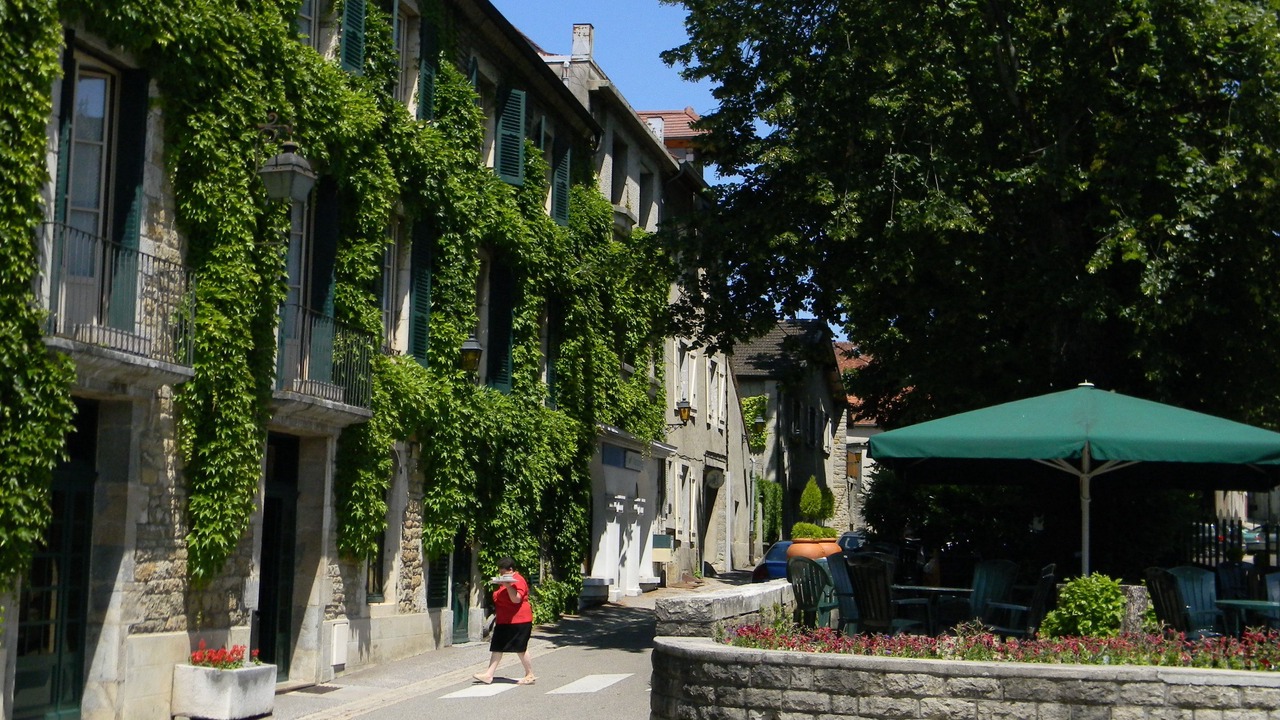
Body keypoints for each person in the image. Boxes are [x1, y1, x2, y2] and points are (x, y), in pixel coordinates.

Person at [472, 556, 537, 685]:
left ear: (511, 570)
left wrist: (508, 586)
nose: (501, 575)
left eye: (503, 573)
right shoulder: (506, 581)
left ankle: (529, 674)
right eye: (500, 573)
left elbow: (516, 599)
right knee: (497, 646)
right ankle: (489, 675)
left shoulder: (518, 580)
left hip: (519, 620)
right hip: (505, 620)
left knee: (520, 648)